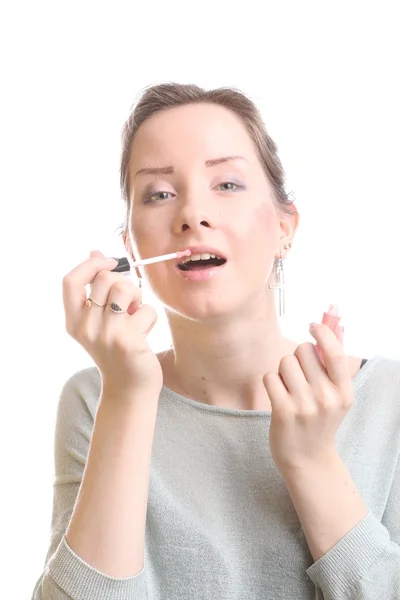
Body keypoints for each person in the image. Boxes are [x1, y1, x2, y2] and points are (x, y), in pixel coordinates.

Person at [32, 83, 400, 600]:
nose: (190, 215)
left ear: (284, 227)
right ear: (131, 249)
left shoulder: (387, 400)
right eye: (159, 194)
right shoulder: (95, 400)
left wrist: (312, 462)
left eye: (226, 184)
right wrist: (128, 397)